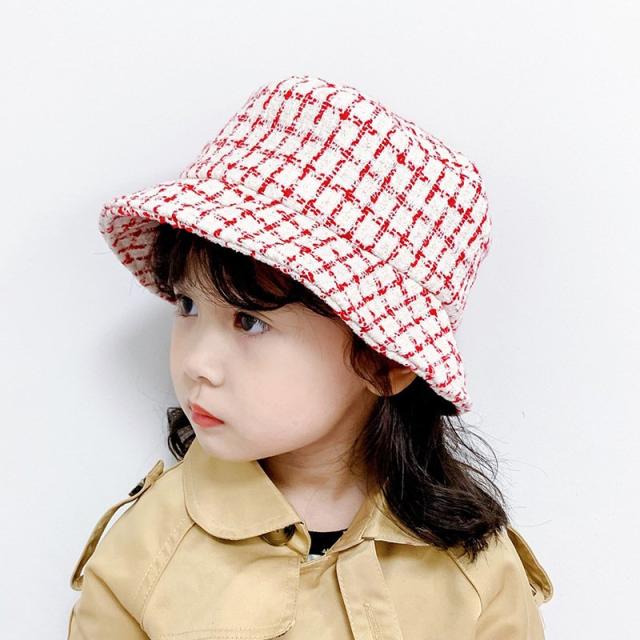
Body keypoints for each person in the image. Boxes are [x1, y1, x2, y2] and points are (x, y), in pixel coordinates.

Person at [67, 74, 554, 639]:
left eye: (250, 321)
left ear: (386, 362)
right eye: (187, 304)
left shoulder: (474, 571)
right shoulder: (146, 550)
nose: (197, 362)